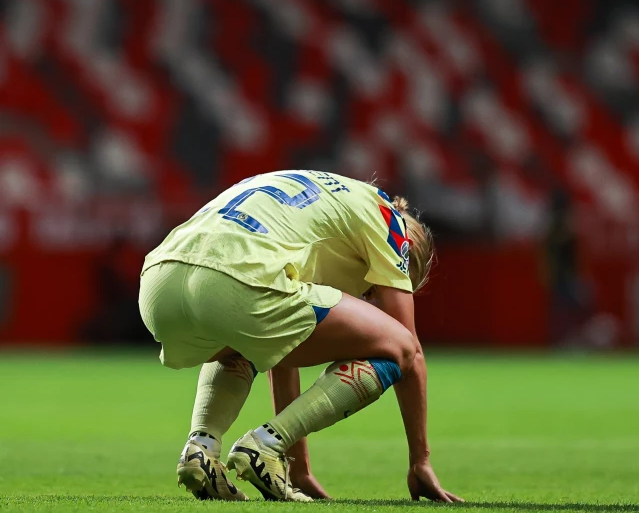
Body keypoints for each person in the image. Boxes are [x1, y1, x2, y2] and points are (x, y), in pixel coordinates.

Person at [138, 170, 461, 502]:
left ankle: (201, 449)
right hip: (239, 278)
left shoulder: (323, 200)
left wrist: (299, 469)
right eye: (373, 293)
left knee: (248, 337)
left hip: (159, 283)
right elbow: (411, 351)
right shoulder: (389, 221)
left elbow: (282, 344)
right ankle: (264, 444)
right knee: (398, 347)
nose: (368, 300)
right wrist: (420, 461)